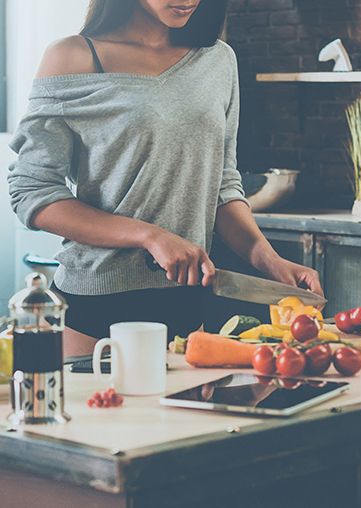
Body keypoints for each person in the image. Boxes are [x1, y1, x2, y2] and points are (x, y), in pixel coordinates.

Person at [8, 0, 322, 358]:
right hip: (96, 308)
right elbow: (32, 190)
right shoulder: (74, 57)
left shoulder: (218, 60)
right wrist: (150, 236)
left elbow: (221, 184)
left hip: (187, 305)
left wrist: (271, 262)